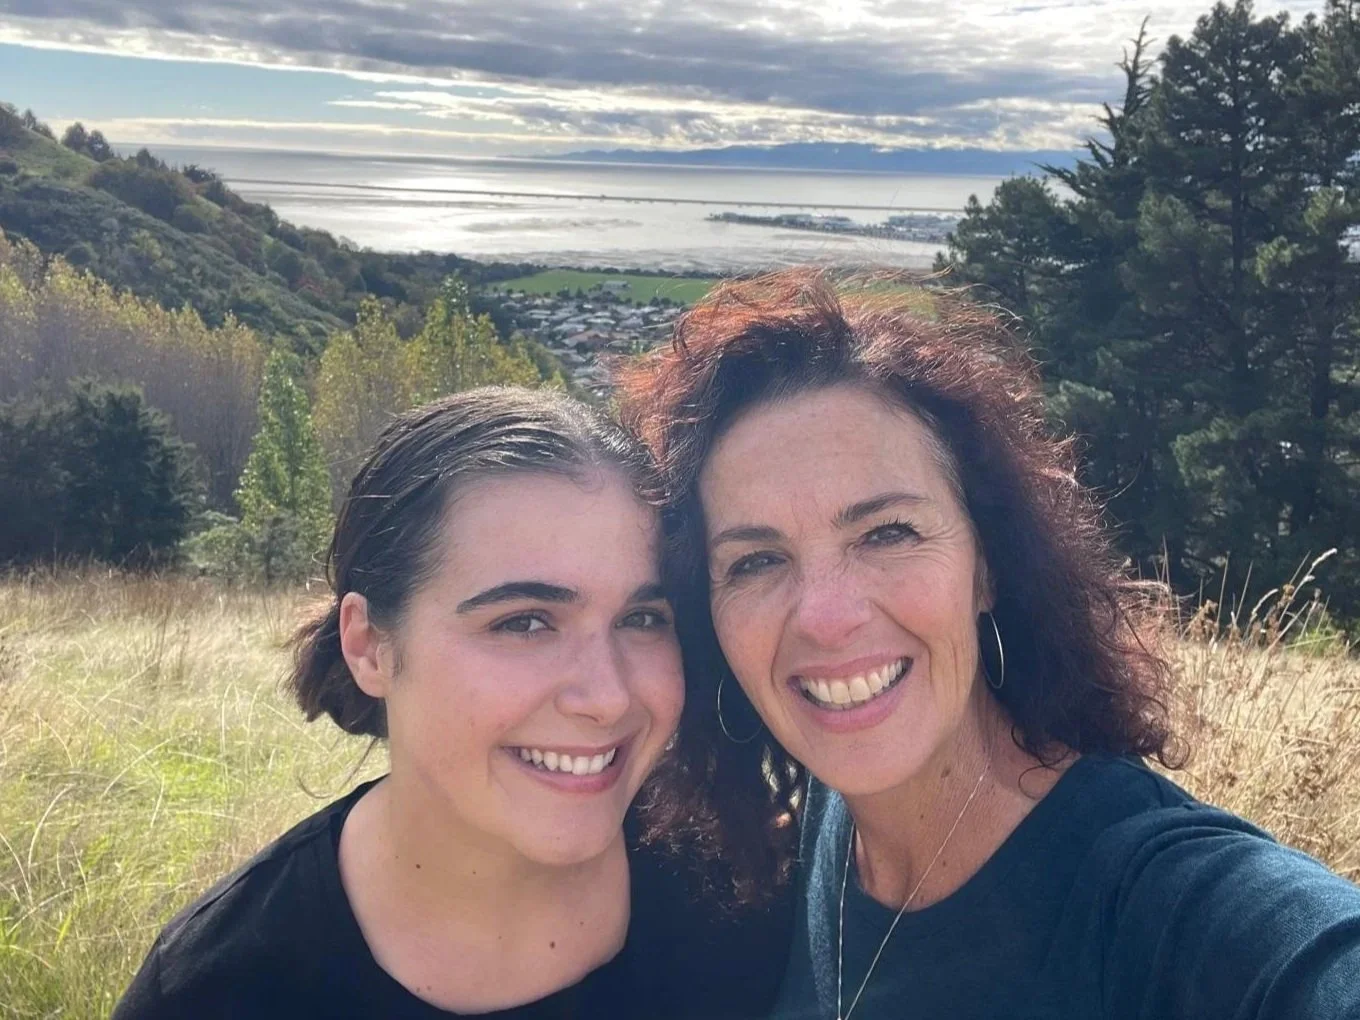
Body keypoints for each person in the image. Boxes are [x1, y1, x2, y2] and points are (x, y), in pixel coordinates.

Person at [621, 269, 1360, 1020]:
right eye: (755, 561)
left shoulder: (1159, 905)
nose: (825, 617)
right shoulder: (818, 824)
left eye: (887, 533)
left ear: (989, 566)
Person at [114, 386, 790, 1019]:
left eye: (642, 619)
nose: (608, 698)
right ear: (369, 646)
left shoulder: (742, 887)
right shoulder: (217, 990)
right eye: (524, 622)